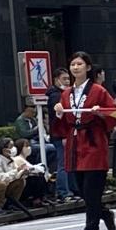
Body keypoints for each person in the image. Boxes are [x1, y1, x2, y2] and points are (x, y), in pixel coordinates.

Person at [53, 51, 116, 230]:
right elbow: (63, 126)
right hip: (75, 143)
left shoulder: (99, 91)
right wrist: (58, 114)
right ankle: (104, 213)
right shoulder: (66, 94)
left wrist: (101, 114)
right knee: (81, 188)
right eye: (73, 64)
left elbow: (113, 114)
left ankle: (91, 228)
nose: (75, 67)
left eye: (80, 64)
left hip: (93, 141)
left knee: (92, 188)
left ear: (88, 68)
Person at [0, 137, 32, 218]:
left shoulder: (10, 159)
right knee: (1, 184)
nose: (14, 148)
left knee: (21, 181)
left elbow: (14, 176)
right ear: (4, 149)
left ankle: (12, 204)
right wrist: (17, 170)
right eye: (11, 146)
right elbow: (0, 178)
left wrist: (23, 172)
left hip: (6, 186)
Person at [45, 67, 74, 200]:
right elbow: (59, 118)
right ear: (57, 80)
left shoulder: (65, 94)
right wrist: (63, 135)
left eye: (68, 78)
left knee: (69, 163)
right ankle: (64, 192)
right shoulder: (56, 96)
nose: (67, 81)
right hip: (60, 135)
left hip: (65, 134)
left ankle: (71, 190)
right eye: (64, 79)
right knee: (63, 164)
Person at [14, 99, 55, 168]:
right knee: (45, 148)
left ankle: (45, 164)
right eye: (32, 112)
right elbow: (25, 134)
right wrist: (36, 129)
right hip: (27, 142)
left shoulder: (33, 120)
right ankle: (40, 164)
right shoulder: (20, 121)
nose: (33, 114)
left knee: (53, 148)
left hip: (37, 140)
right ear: (26, 111)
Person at [13, 137, 50, 205]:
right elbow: (31, 169)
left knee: (40, 176)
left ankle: (42, 198)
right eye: (26, 146)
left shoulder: (25, 159)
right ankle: (37, 199)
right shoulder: (18, 159)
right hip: (22, 184)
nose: (29, 148)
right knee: (37, 178)